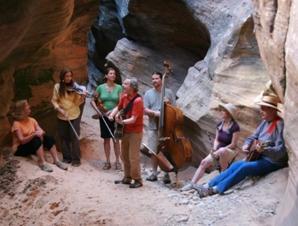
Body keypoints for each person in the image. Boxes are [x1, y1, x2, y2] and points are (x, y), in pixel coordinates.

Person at [196, 95, 288, 198]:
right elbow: (253, 137)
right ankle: (208, 184)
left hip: (271, 161)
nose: (260, 111)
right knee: (235, 165)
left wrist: (265, 150)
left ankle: (215, 189)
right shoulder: (265, 122)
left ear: (272, 110)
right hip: (259, 156)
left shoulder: (280, 125)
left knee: (245, 167)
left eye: (263, 109)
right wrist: (247, 145)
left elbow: (281, 152)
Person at [181, 103, 240, 191]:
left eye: (223, 111)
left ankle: (222, 177)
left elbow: (233, 144)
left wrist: (219, 150)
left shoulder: (235, 127)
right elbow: (217, 139)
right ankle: (192, 184)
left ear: (228, 113)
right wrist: (214, 148)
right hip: (218, 150)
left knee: (222, 151)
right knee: (204, 162)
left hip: (229, 151)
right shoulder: (220, 124)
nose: (221, 112)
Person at [11, 100, 68, 172]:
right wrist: (34, 134)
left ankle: (56, 161)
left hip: (31, 145)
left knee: (48, 138)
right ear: (22, 110)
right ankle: (42, 162)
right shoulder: (16, 123)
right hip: (19, 149)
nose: (29, 107)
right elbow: (22, 141)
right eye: (27, 106)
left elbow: (42, 131)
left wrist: (40, 134)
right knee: (36, 139)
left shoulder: (32, 120)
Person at [109, 77, 144, 188]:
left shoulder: (138, 101)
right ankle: (127, 177)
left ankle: (137, 179)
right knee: (124, 155)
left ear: (132, 87)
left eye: (126, 84)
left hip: (135, 132)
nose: (123, 85)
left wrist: (121, 121)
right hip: (125, 131)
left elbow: (133, 119)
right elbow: (118, 107)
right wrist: (112, 114)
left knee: (133, 156)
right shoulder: (124, 97)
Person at [141, 72, 176, 184]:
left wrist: (169, 103)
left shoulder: (169, 92)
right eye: (153, 79)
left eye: (156, 78)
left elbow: (175, 109)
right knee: (153, 150)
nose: (154, 80)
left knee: (167, 150)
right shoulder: (148, 93)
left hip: (167, 126)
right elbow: (145, 110)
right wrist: (155, 113)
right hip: (153, 126)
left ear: (162, 79)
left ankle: (166, 173)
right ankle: (154, 173)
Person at [51, 68, 86, 167]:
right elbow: (54, 101)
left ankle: (76, 159)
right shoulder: (57, 87)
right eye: (67, 76)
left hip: (74, 115)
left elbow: (77, 103)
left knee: (74, 137)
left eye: (70, 76)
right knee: (63, 137)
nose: (69, 78)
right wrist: (60, 110)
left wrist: (82, 97)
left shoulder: (75, 87)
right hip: (62, 116)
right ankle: (66, 157)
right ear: (62, 77)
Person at [91, 67, 122, 170]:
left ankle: (118, 161)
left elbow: (121, 103)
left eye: (114, 74)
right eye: (111, 73)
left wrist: (115, 112)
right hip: (104, 116)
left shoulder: (119, 88)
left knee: (116, 139)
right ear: (106, 75)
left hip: (115, 116)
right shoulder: (100, 87)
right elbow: (92, 100)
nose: (113, 75)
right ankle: (107, 161)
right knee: (106, 139)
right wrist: (98, 111)